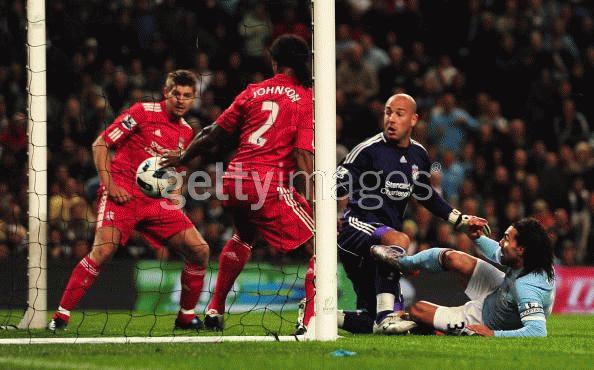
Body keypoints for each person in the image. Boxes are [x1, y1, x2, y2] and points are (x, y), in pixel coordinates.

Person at [162, 34, 315, 333]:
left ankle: (214, 309)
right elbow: (301, 154)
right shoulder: (305, 97)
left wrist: (183, 157)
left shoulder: (252, 92)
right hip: (268, 183)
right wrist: (317, 197)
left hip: (234, 180)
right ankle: (309, 322)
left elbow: (212, 132)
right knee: (320, 248)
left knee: (244, 236)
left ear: (274, 61)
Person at [48, 70, 210, 331]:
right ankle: (60, 317)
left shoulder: (187, 132)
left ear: (193, 99)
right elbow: (100, 144)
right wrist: (109, 184)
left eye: (187, 96)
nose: (181, 100)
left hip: (155, 202)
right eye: (176, 94)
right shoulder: (142, 112)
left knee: (199, 249)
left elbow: (175, 173)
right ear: (166, 93)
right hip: (122, 192)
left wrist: (176, 191)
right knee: (103, 250)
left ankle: (186, 316)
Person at [335, 93, 489, 334]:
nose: (391, 119)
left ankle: (325, 316)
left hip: (384, 242)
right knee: (399, 239)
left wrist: (460, 220)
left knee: (376, 321)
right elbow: (336, 183)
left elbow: (426, 194)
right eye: (388, 112)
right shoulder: (367, 151)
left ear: (414, 119)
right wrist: (329, 210)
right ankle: (387, 315)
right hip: (357, 228)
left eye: (399, 113)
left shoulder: (419, 156)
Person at [372, 217, 555, 337]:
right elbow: (496, 252)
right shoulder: (526, 257)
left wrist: (494, 334)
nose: (501, 242)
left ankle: (433, 329)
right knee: (454, 258)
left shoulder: (527, 287)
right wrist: (477, 238)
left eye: (506, 238)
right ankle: (404, 263)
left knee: (418, 310)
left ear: (521, 249)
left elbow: (537, 331)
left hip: (486, 319)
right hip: (499, 290)